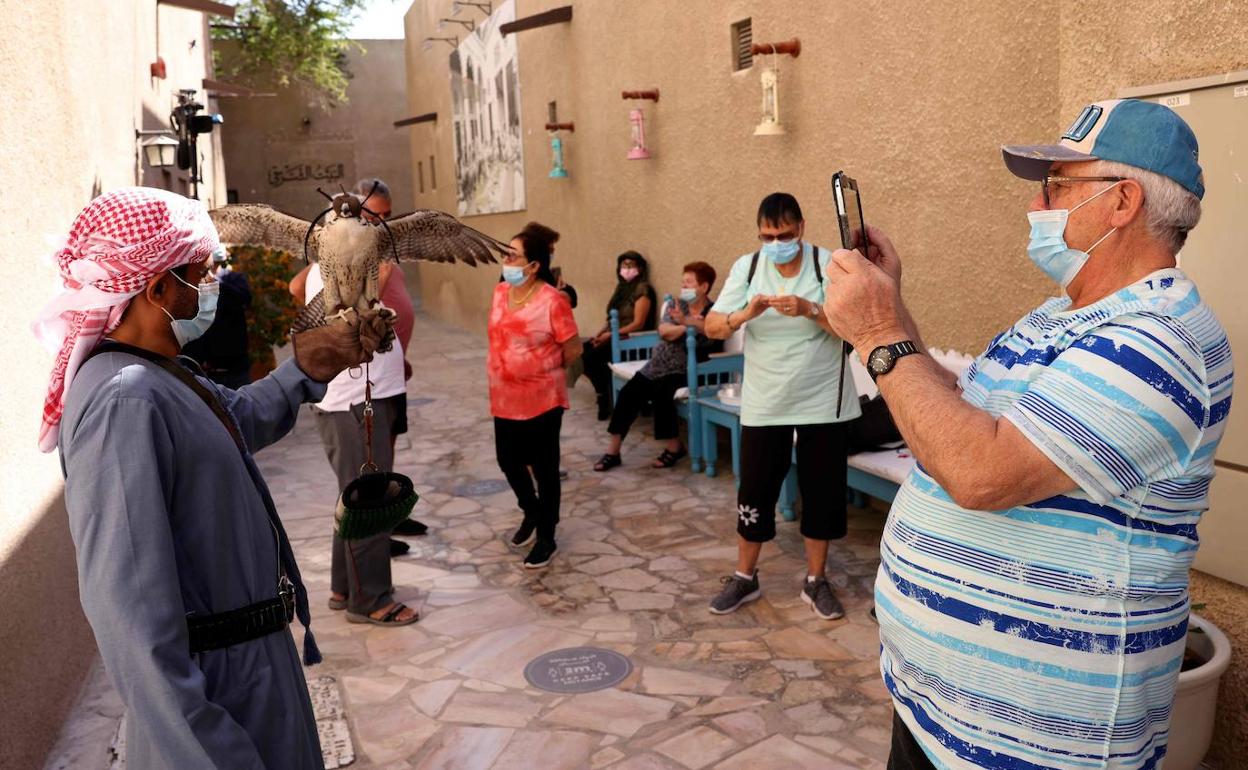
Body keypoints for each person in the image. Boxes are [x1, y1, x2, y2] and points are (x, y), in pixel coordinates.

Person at [820, 100, 1229, 769]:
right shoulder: (1062, 317)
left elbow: (983, 471)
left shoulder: (1161, 339)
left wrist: (874, 332)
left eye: (1059, 186)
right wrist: (891, 304)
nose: (1037, 205)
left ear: (1123, 201)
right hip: (939, 722)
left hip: (1041, 751)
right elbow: (955, 417)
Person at [35, 187, 385, 768]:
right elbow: (131, 615)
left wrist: (307, 367)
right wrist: (208, 749)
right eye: (205, 272)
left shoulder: (162, 376)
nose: (216, 284)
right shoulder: (124, 401)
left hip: (254, 674)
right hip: (218, 699)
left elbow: (235, 420)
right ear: (159, 288)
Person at [703, 193, 860, 621]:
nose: (776, 243)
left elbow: (851, 327)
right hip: (765, 402)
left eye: (784, 234)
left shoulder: (827, 264)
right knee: (754, 488)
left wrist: (811, 309)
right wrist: (744, 314)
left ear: (801, 228)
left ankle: (816, 580)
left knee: (822, 492)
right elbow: (712, 325)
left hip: (822, 400)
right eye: (767, 236)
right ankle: (744, 576)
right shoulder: (748, 268)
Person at [290, 177, 428, 546]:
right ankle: (369, 582)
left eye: (388, 214)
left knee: (380, 476)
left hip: (385, 379)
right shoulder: (340, 257)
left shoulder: (377, 248)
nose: (383, 222)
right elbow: (345, 305)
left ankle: (383, 532)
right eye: (376, 214)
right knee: (361, 493)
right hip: (352, 391)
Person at [488, 223, 581, 568]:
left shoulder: (553, 300)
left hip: (543, 398)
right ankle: (532, 510)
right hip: (504, 396)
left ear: (534, 265)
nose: (506, 260)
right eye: (506, 254)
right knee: (507, 460)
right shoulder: (500, 292)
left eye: (513, 255)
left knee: (545, 468)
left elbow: (571, 348)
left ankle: (546, 536)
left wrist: (540, 369)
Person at [594, 261, 719, 471]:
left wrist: (688, 324)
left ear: (704, 286)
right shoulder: (677, 305)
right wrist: (687, 325)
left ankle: (674, 447)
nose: (684, 287)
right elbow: (664, 331)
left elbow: (710, 333)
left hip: (691, 370)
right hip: (658, 365)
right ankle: (613, 451)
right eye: (683, 282)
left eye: (689, 283)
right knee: (628, 393)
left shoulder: (714, 311)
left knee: (662, 393)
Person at [580, 251, 656, 420]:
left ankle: (606, 399)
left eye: (631, 265)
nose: (626, 269)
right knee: (583, 352)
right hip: (614, 336)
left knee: (595, 357)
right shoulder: (621, 289)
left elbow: (638, 323)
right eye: (623, 265)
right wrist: (599, 334)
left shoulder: (642, 289)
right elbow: (611, 318)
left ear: (640, 268)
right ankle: (602, 393)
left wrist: (610, 335)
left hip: (632, 341)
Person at [181, 246, 253, 389]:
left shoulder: (234, 280)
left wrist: (213, 279)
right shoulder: (192, 284)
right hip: (200, 373)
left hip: (235, 371)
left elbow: (245, 299)